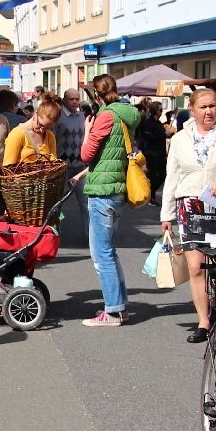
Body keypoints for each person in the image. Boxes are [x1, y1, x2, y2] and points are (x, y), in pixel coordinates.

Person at [160, 88, 216, 343]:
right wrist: (167, 215)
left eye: (213, 106)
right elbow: (172, 176)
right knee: (196, 267)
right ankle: (203, 322)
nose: (209, 112)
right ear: (192, 110)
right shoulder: (180, 139)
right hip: (190, 206)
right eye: (203, 107)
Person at [77, 74, 141, 327]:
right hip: (117, 188)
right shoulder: (127, 113)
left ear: (97, 93)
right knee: (110, 252)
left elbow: (86, 154)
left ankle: (113, 311)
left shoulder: (105, 116)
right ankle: (119, 307)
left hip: (103, 189)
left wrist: (87, 131)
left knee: (101, 254)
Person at [56, 88, 89, 237]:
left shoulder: (83, 116)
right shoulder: (58, 117)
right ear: (65, 100)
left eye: (77, 98)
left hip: (80, 166)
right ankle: (55, 233)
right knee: (57, 203)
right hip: (62, 166)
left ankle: (90, 236)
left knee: (86, 202)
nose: (75, 101)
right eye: (71, 99)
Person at [3, 92, 59, 165]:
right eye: (40, 124)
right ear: (36, 113)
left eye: (47, 128)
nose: (42, 130)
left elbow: (53, 164)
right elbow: (8, 168)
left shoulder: (50, 136)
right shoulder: (17, 134)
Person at [137, 100, 168, 205]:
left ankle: (151, 193)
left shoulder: (158, 123)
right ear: (155, 111)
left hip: (160, 153)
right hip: (151, 153)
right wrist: (164, 134)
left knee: (163, 175)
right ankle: (152, 196)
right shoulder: (148, 122)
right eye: (160, 110)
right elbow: (149, 136)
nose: (162, 112)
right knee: (154, 176)